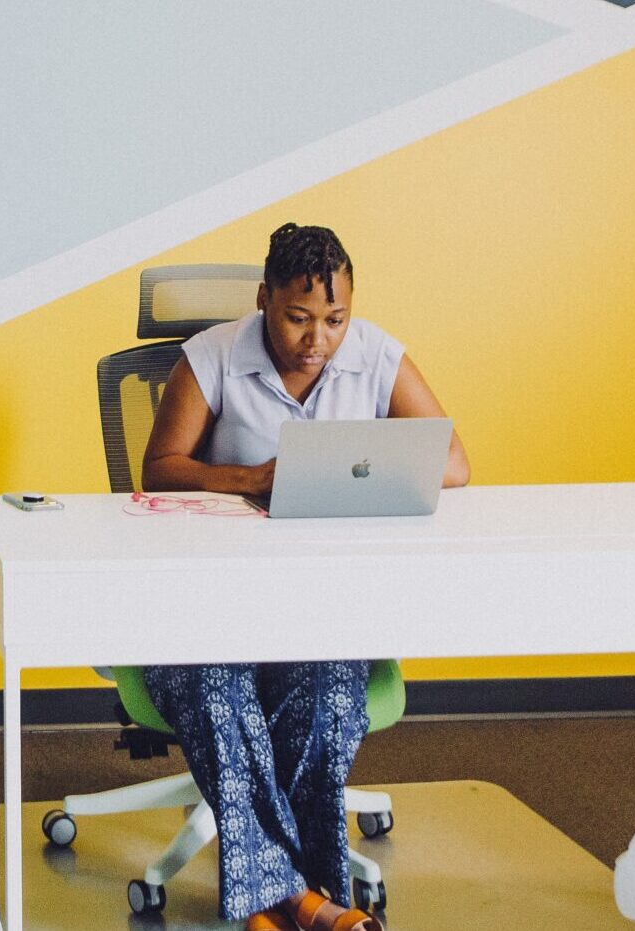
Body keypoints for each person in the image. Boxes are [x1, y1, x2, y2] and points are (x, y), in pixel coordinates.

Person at [137, 222, 469, 931]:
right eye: (297, 317)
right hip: (202, 607)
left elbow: (454, 464)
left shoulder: (376, 356)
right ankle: (303, 901)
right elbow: (158, 468)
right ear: (264, 299)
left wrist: (356, 460)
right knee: (214, 689)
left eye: (335, 319)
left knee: (326, 698)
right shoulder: (213, 358)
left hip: (318, 608)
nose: (317, 337)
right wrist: (251, 478)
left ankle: (276, 901)